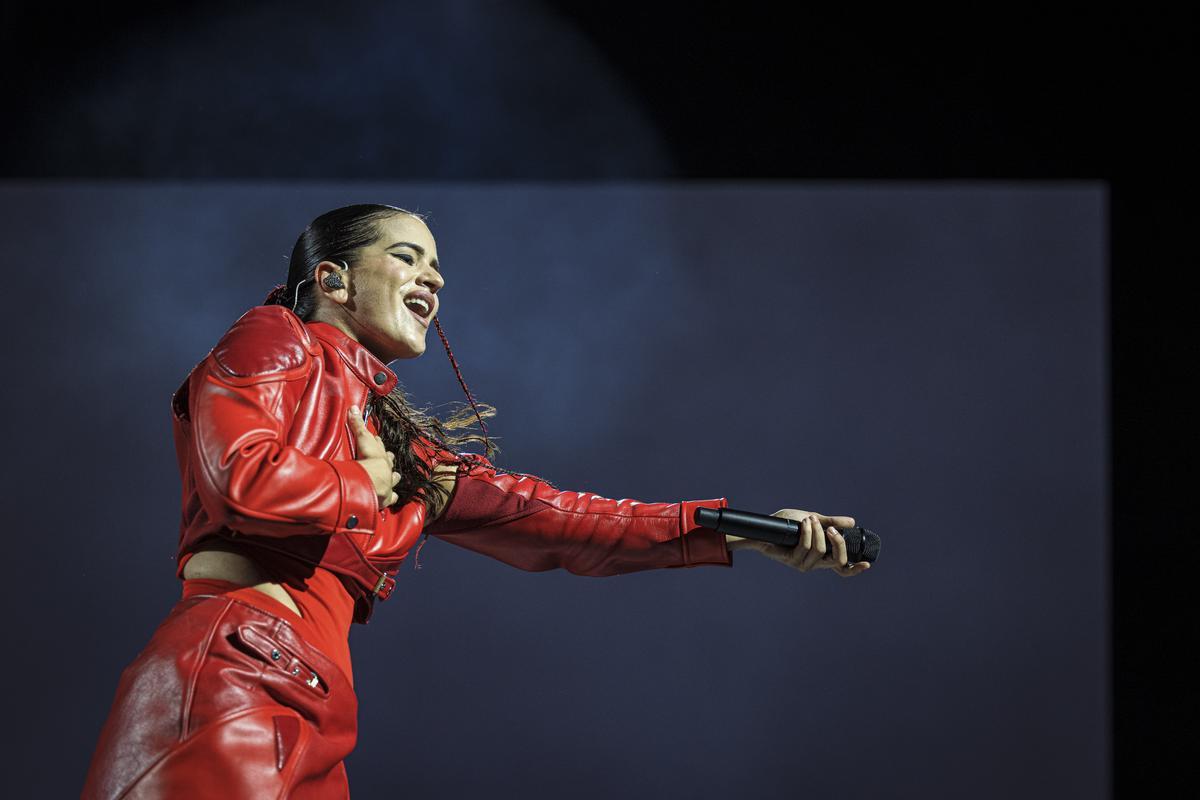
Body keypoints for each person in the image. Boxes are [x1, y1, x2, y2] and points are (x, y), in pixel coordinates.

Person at [82, 203, 869, 798]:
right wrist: (364, 487)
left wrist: (738, 529)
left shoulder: (399, 445)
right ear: (332, 278)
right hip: (233, 675)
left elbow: (562, 522)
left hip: (310, 698)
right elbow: (243, 475)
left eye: (438, 266)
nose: (435, 278)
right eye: (407, 257)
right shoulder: (273, 337)